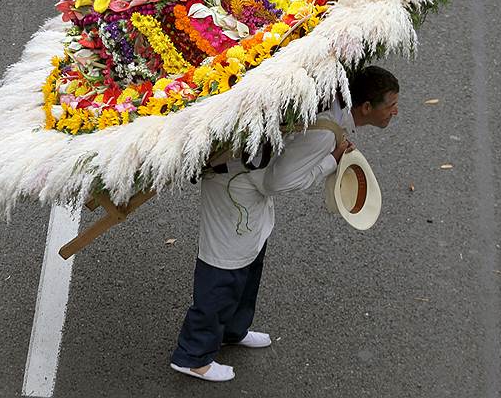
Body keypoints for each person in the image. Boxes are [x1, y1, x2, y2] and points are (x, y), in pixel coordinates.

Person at [170, 65, 399, 382]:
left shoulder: (333, 110)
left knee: (249, 257)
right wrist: (330, 159)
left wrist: (332, 152)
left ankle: (232, 330)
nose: (395, 112)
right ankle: (192, 355)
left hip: (249, 180)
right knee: (224, 266)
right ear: (365, 107)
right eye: (391, 105)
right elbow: (279, 182)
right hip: (234, 184)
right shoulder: (324, 133)